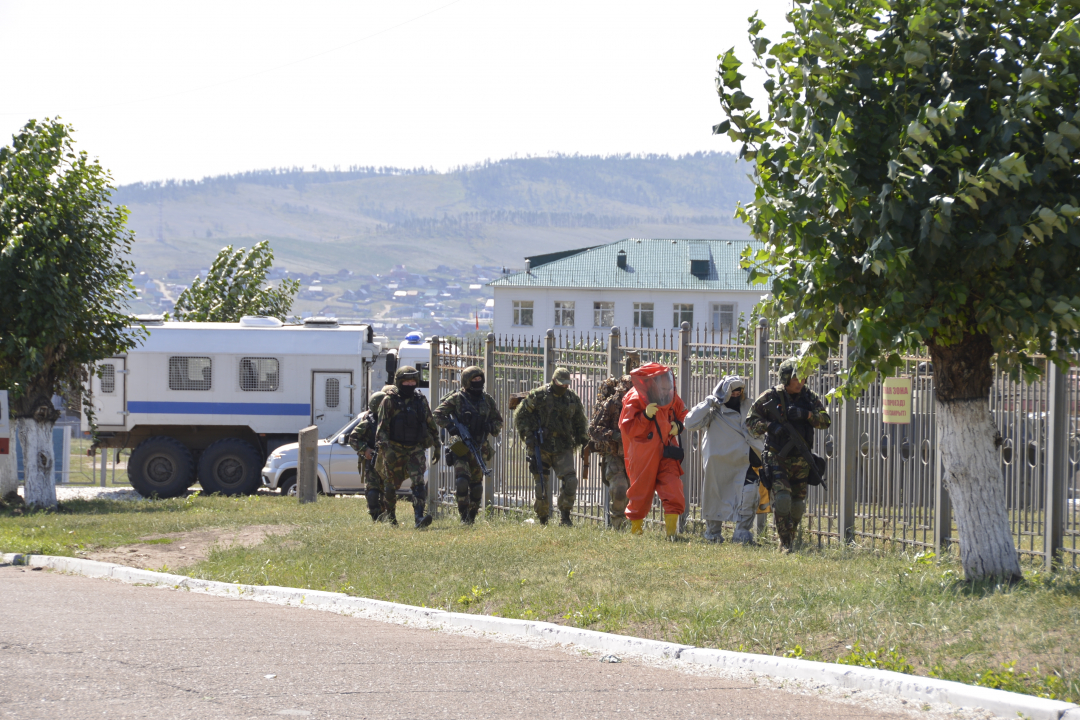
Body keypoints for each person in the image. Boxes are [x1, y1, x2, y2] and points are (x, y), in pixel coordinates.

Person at [745, 358, 831, 552]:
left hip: (801, 458)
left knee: (798, 505)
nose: (800, 382)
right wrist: (770, 426)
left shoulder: (809, 398)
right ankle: (785, 543)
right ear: (785, 378)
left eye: (802, 377)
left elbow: (826, 420)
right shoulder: (771, 397)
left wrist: (806, 415)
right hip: (777, 457)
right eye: (795, 378)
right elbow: (750, 422)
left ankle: (788, 538)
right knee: (783, 499)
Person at [684, 376, 764, 544]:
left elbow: (760, 427)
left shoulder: (748, 406)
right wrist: (708, 403)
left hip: (744, 461)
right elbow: (690, 423)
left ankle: (742, 533)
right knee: (715, 497)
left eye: (738, 391)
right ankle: (712, 533)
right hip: (718, 464)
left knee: (749, 494)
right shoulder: (713, 409)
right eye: (731, 392)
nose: (735, 395)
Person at [513, 367, 589, 526]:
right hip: (541, 446)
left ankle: (565, 516)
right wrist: (529, 435)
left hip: (563, 446)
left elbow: (579, 420)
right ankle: (543, 518)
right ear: (554, 381)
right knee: (541, 484)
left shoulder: (571, 398)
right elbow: (521, 416)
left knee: (571, 481)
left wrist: (583, 439)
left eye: (566, 384)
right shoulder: (539, 395)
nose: (563, 387)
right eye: (560, 384)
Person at [619, 362, 687, 539]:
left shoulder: (672, 396)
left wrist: (679, 426)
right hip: (643, 454)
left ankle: (671, 534)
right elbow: (628, 429)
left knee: (673, 487)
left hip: (667, 451)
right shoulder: (634, 398)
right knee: (640, 492)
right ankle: (636, 531)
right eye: (663, 388)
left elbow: (684, 413)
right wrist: (645, 416)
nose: (666, 392)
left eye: (668, 388)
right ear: (653, 383)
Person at [432, 366, 503, 525]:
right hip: (459, 444)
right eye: (474, 380)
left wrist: (490, 427)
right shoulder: (457, 398)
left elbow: (498, 421)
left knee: (477, 486)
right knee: (462, 481)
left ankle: (472, 515)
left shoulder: (487, 400)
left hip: (479, 446)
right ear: (466, 381)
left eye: (479, 379)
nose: (477, 382)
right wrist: (451, 427)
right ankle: (463, 514)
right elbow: (437, 414)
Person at [375, 366, 440, 529]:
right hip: (394, 449)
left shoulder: (420, 400)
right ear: (399, 382)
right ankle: (391, 517)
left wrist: (437, 444)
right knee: (390, 485)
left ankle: (419, 517)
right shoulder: (389, 401)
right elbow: (381, 430)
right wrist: (386, 450)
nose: (410, 384)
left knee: (418, 482)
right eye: (406, 381)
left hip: (415, 449)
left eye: (412, 381)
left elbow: (430, 423)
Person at [587, 352, 640, 530]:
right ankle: (617, 527)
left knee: (637, 493)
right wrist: (615, 435)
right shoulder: (611, 404)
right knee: (619, 490)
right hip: (615, 455)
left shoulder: (644, 404)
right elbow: (593, 429)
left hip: (636, 457)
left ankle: (633, 527)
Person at [347, 385, 393, 523]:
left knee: (388, 491)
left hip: (387, 461)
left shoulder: (390, 421)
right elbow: (353, 438)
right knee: (373, 492)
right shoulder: (368, 422)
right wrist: (365, 450)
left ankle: (389, 516)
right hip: (372, 461)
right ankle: (376, 517)